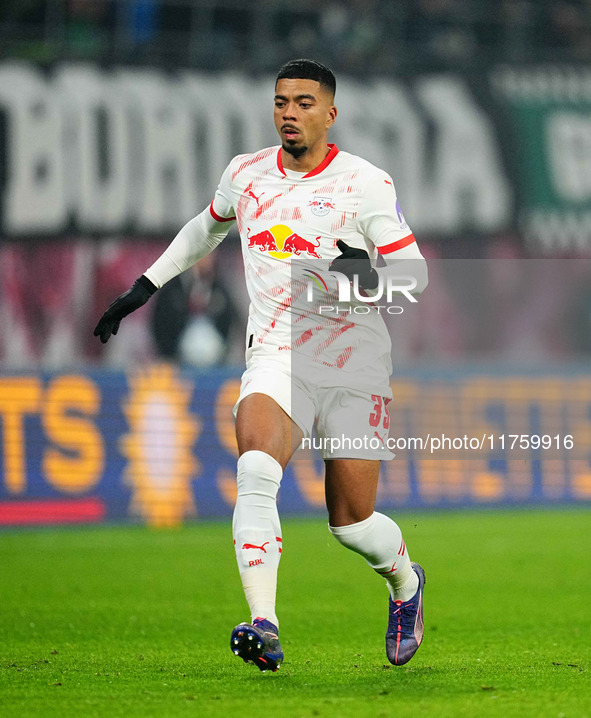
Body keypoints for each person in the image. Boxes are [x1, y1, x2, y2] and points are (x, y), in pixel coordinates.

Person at [94, 58, 429, 672]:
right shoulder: (246, 175)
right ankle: (264, 623)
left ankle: (406, 585)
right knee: (254, 468)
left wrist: (363, 282)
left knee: (352, 524)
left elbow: (412, 277)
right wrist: (146, 284)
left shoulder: (364, 184)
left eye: (304, 103)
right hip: (277, 355)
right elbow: (206, 228)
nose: (289, 113)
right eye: (281, 102)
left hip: (353, 361)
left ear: (331, 113)